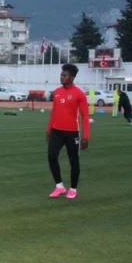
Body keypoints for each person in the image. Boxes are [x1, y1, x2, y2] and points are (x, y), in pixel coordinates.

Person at [47, 63, 90, 200]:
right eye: (61, 74)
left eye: (64, 75)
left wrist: (85, 136)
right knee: (52, 156)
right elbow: (54, 112)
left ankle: (73, 188)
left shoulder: (79, 94)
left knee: (74, 161)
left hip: (72, 133)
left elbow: (85, 116)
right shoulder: (57, 92)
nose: (61, 77)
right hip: (56, 131)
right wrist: (49, 129)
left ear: (72, 77)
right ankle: (59, 186)